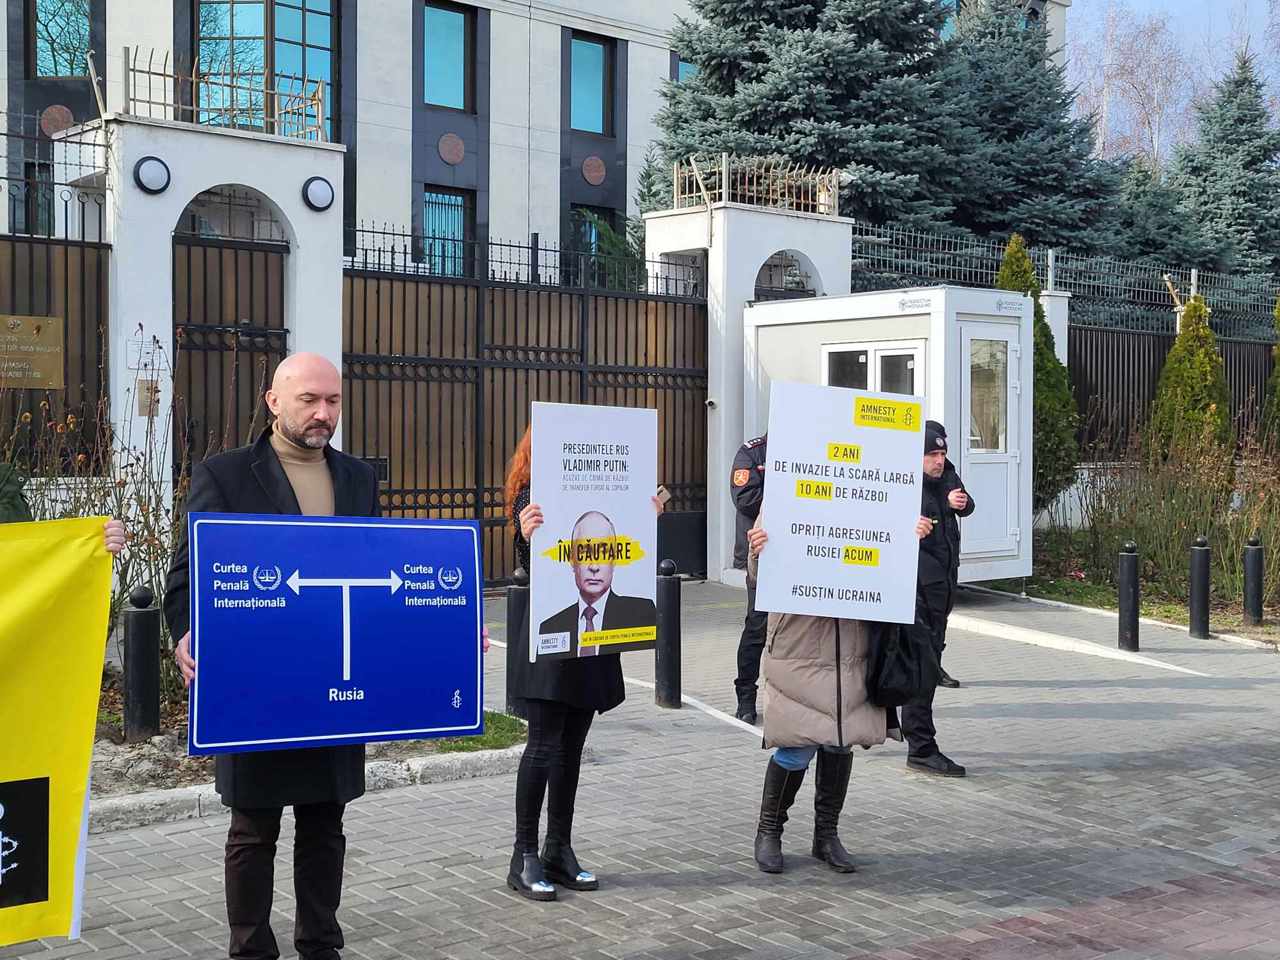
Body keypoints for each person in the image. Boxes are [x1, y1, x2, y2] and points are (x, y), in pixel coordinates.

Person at [164, 353, 380, 960]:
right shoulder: (225, 474)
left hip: (334, 681)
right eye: (309, 399)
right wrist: (184, 634)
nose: (323, 413)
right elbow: (185, 576)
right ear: (274, 401)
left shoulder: (358, 478)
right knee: (253, 830)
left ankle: (321, 945)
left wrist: (442, 628)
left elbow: (379, 568)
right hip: (256, 683)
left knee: (325, 826)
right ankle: (251, 949)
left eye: (333, 401)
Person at [504, 425, 660, 901]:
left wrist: (647, 517)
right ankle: (523, 856)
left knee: (571, 749)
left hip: (594, 645)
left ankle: (558, 848)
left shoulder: (608, 495)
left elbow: (632, 550)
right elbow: (531, 563)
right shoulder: (533, 496)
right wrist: (525, 534)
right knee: (543, 746)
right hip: (551, 642)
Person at [746, 518, 902, 875]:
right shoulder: (786, 497)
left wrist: (910, 538)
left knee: (840, 740)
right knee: (797, 745)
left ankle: (826, 834)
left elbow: (892, 559)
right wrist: (757, 551)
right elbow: (758, 575)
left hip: (852, 643)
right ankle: (769, 831)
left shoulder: (870, 501)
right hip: (800, 644)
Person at [900, 420, 975, 779]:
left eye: (942, 454)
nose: (939, 460)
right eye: (931, 454)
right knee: (921, 669)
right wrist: (910, 527)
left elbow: (967, 504)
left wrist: (961, 502)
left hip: (942, 587)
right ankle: (921, 747)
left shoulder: (948, 476)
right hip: (915, 591)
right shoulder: (902, 484)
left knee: (924, 667)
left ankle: (909, 736)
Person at [537, 510, 657, 657]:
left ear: (615, 560)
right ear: (572, 561)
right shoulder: (550, 627)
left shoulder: (641, 613)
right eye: (584, 552)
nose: (594, 566)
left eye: (603, 553)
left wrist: (651, 518)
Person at [730, 434, 767, 723]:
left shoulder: (812, 448)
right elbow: (744, 498)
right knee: (757, 628)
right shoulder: (753, 453)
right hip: (762, 557)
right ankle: (745, 696)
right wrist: (795, 498)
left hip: (803, 560)